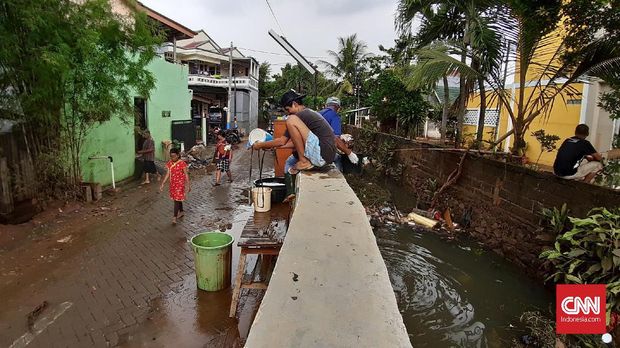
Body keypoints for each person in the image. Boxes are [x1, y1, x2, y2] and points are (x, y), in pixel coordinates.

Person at [252, 90, 336, 174]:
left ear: (295, 104)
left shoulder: (300, 115)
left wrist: (259, 145)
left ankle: (303, 161)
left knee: (291, 120)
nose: (288, 113)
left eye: (288, 110)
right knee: (290, 162)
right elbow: (296, 142)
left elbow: (281, 141)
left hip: (322, 153)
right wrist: (275, 147)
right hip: (327, 156)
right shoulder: (307, 113)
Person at [319, 97, 359, 171]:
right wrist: (349, 153)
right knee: (337, 158)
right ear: (338, 108)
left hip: (312, 149)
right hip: (322, 152)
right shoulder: (334, 116)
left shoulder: (319, 113)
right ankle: (338, 176)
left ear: (326, 105)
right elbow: (335, 139)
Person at [159, 148, 190, 224]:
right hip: (173, 184)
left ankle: (174, 217)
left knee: (176, 200)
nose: (172, 158)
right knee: (177, 199)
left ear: (178, 155)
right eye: (171, 156)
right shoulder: (170, 163)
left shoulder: (182, 163)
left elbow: (186, 174)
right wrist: (163, 183)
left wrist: (189, 185)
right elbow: (168, 174)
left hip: (180, 185)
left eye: (174, 156)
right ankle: (181, 212)